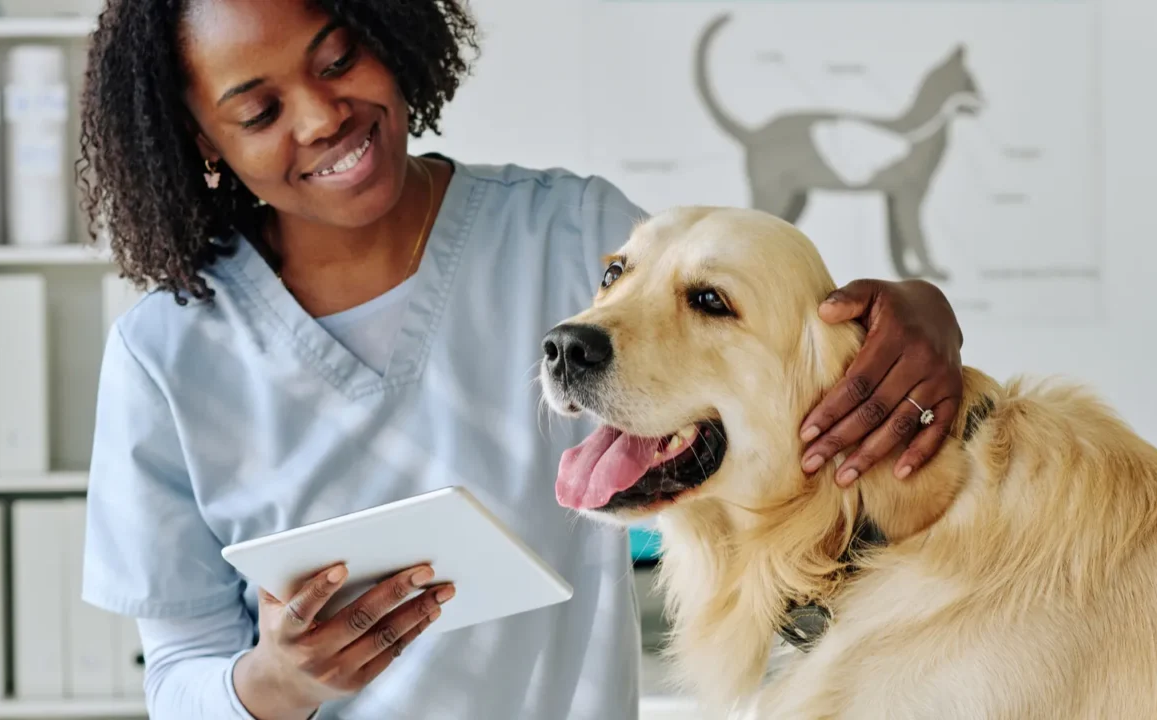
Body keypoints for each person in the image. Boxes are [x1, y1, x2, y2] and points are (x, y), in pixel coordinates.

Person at [76, 0, 966, 718]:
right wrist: (278, 684)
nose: (321, 116)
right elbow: (181, 674)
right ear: (202, 142)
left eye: (339, 58)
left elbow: (757, 363)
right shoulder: (165, 356)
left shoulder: (572, 233)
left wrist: (915, 314)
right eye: (259, 111)